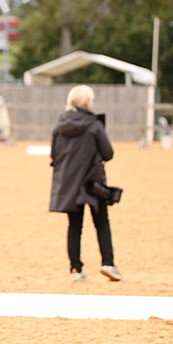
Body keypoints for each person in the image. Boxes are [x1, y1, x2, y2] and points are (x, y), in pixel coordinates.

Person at [49, 85, 122, 282]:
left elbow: (54, 155)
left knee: (74, 226)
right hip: (92, 182)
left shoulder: (60, 125)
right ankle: (108, 263)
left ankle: (75, 269)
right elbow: (108, 153)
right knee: (101, 222)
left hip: (69, 182)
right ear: (86, 103)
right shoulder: (94, 124)